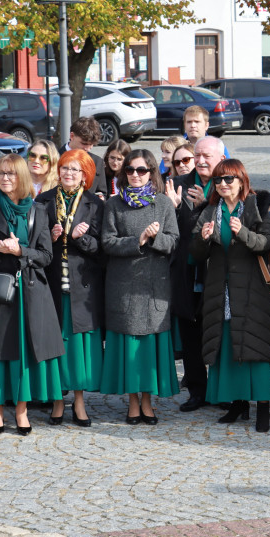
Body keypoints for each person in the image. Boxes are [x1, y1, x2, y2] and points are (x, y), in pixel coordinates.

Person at [0, 154, 65, 436]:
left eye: (11, 173)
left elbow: (46, 255)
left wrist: (20, 251)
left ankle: (21, 411)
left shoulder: (38, 210)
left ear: (22, 177)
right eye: (1, 173)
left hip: (30, 292)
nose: (5, 178)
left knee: (24, 354)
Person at [191, 159, 270, 432]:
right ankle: (238, 403)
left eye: (229, 179)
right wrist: (202, 239)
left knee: (254, 346)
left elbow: (268, 243)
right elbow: (195, 254)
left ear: (242, 181)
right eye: (218, 180)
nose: (223, 184)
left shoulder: (255, 206)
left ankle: (263, 407)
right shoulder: (210, 211)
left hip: (251, 289)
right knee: (227, 344)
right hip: (220, 289)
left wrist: (244, 233)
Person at [100, 149, 179, 425]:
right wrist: (139, 240)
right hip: (123, 285)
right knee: (129, 346)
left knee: (149, 348)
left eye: (141, 170)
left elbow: (173, 242)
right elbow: (107, 242)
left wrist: (155, 238)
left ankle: (148, 402)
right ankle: (133, 403)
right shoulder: (114, 204)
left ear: (151, 173)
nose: (135, 175)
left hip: (154, 285)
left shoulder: (163, 203)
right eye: (130, 170)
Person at [36, 150, 105, 426]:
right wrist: (51, 238)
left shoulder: (94, 204)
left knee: (77, 347)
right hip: (51, 282)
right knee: (55, 342)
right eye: (65, 168)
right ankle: (56, 400)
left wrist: (80, 238)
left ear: (85, 175)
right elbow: (35, 244)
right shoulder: (43, 200)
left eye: (75, 170)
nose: (69, 173)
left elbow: (101, 248)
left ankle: (78, 401)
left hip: (82, 284)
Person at [168, 135, 226, 411]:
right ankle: (197, 390)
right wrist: (173, 208)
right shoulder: (177, 184)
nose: (201, 161)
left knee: (218, 331)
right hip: (185, 270)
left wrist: (205, 205)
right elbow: (169, 229)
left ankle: (221, 390)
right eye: (198, 155)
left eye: (207, 156)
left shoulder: (228, 184)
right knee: (190, 333)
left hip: (217, 272)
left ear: (221, 159)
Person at [63, 117, 109, 197]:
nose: (87, 149)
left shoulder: (97, 162)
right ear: (72, 136)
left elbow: (102, 192)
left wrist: (100, 198)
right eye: (84, 143)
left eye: (91, 145)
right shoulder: (55, 157)